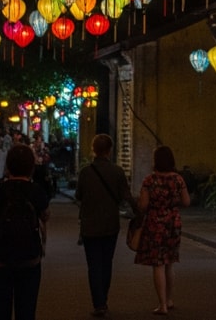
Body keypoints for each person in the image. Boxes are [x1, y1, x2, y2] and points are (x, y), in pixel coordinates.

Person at [0, 144, 50, 320]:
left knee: (0, 308)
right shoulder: (36, 191)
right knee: (26, 308)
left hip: (0, 255)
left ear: (8, 166)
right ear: (32, 167)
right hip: (30, 256)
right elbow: (46, 216)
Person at [76, 133, 131, 317]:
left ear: (93, 150)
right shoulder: (117, 171)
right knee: (106, 263)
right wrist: (139, 211)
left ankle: (98, 302)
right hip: (110, 224)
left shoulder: (85, 172)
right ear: (109, 150)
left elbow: (78, 195)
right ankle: (103, 299)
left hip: (89, 225)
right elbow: (126, 195)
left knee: (93, 265)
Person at [135, 145, 191, 315]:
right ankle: (169, 299)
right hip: (173, 223)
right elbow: (187, 202)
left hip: (154, 223)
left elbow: (143, 205)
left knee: (158, 264)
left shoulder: (149, 181)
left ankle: (162, 305)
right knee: (170, 263)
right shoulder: (178, 179)